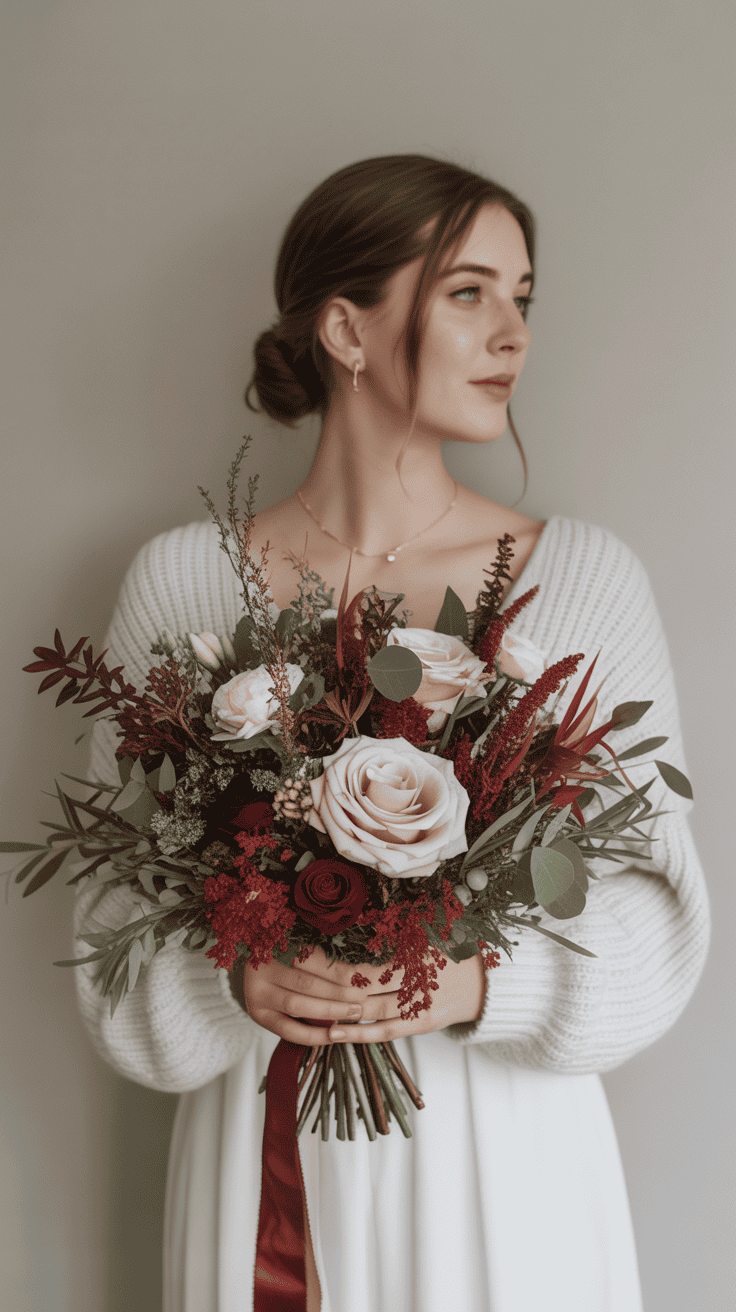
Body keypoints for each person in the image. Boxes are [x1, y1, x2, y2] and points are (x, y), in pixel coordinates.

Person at [75, 155, 710, 1312]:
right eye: (469, 292)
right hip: (261, 1157)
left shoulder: (580, 582)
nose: (512, 331)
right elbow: (105, 925)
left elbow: (661, 915)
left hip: (503, 1168)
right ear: (344, 329)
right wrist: (238, 979)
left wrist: (473, 983)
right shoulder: (182, 584)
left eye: (524, 297)